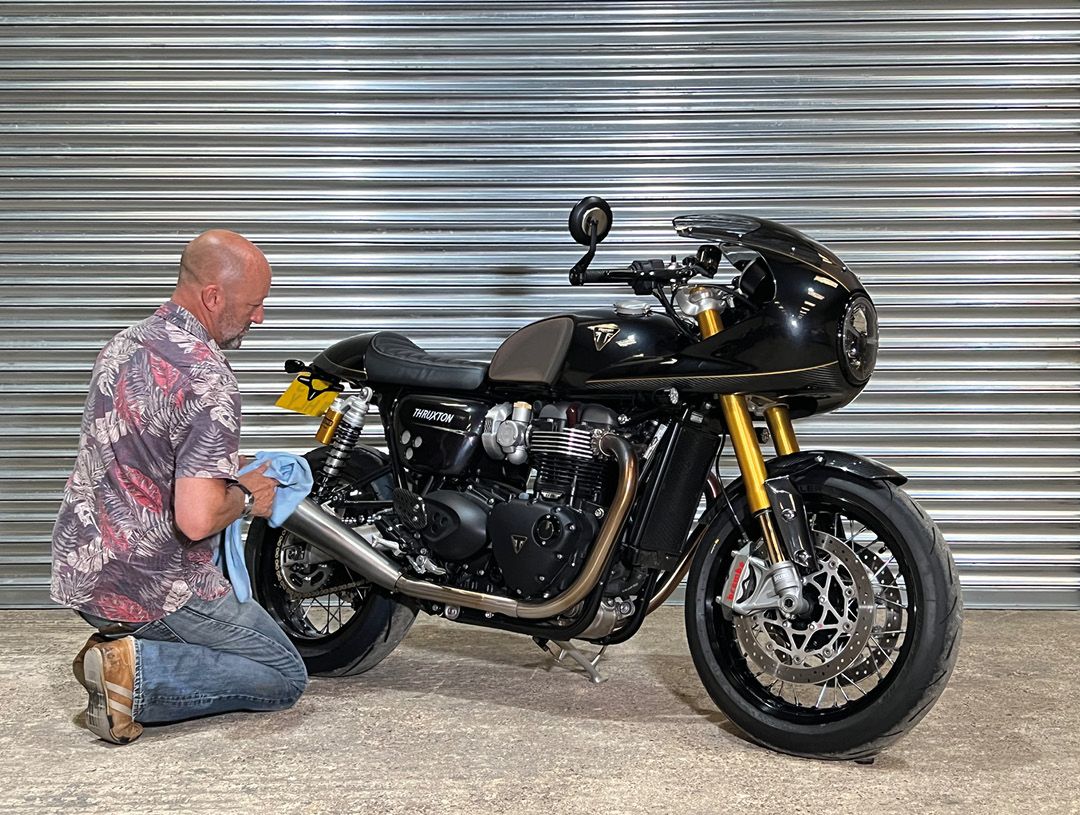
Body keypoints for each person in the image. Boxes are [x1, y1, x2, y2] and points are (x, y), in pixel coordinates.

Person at [50, 229, 308, 744]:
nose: (261, 317)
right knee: (285, 675)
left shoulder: (124, 344)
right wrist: (248, 494)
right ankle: (135, 673)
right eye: (254, 305)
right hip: (155, 587)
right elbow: (196, 519)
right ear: (213, 296)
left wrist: (216, 466)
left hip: (85, 572)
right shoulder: (208, 377)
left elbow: (142, 454)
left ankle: (121, 653)